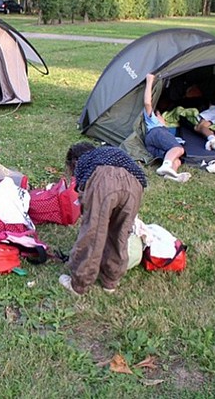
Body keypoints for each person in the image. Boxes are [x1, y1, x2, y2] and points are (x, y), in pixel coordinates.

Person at [58, 142, 147, 296]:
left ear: (74, 162)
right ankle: (110, 281)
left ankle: (79, 284)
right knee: (120, 233)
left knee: (93, 233)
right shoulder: (109, 152)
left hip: (105, 182)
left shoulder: (85, 162)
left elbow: (86, 207)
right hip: (135, 184)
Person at [143, 74, 191, 183]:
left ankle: (171, 175)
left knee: (177, 160)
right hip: (155, 133)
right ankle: (166, 166)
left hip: (151, 145)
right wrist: (149, 81)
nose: (163, 119)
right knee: (178, 149)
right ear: (157, 115)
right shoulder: (153, 121)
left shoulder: (165, 130)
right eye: (161, 116)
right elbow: (147, 103)